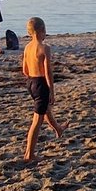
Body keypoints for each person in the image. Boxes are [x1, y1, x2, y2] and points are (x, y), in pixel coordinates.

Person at [21, 16, 64, 161]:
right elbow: (48, 72)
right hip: (41, 83)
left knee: (45, 109)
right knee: (37, 121)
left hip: (30, 83)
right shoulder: (44, 48)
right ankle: (29, 154)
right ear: (42, 30)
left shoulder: (27, 47)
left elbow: (25, 70)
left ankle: (58, 128)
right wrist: (51, 90)